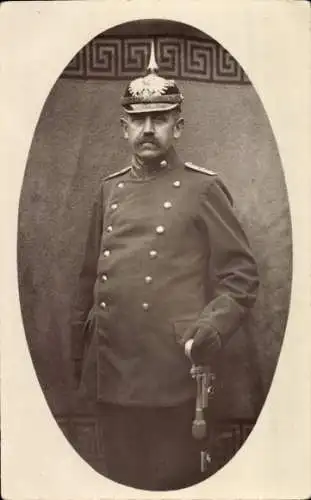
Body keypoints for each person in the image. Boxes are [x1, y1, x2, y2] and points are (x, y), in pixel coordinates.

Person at [71, 43, 259, 491]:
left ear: (178, 125)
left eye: (159, 119)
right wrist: (81, 356)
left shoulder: (203, 189)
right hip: (112, 369)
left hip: (175, 369)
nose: (148, 129)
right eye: (138, 120)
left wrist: (210, 329)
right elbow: (87, 280)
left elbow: (241, 275)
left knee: (172, 483)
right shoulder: (109, 190)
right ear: (124, 127)